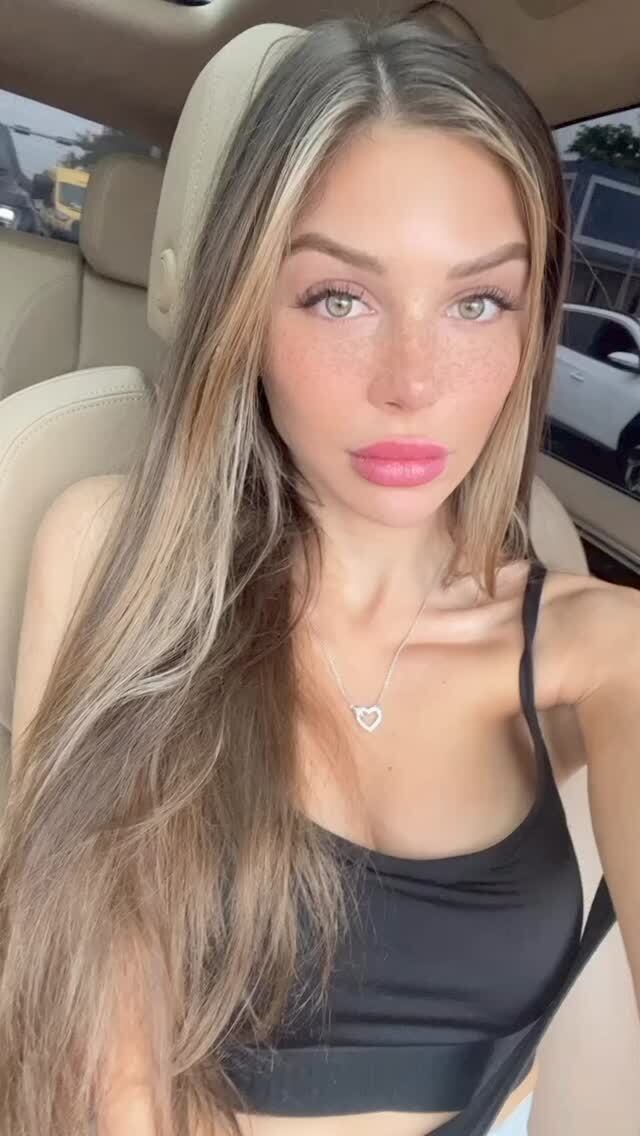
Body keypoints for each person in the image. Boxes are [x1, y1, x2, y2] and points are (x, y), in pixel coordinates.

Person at [0, 15, 637, 1136]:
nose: (412, 383)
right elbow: (109, 1066)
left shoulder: (601, 646)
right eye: (340, 297)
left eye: (477, 301)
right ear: (246, 308)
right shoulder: (110, 553)